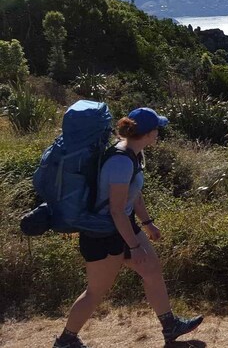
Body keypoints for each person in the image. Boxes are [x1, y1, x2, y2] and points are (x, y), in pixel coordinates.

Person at [53, 108, 203, 348]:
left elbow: (134, 195)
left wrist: (147, 222)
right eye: (157, 130)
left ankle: (170, 327)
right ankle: (65, 340)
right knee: (95, 292)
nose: (158, 134)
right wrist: (134, 246)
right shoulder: (121, 161)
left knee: (152, 270)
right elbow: (115, 209)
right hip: (104, 233)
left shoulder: (133, 153)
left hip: (123, 225)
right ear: (147, 133)